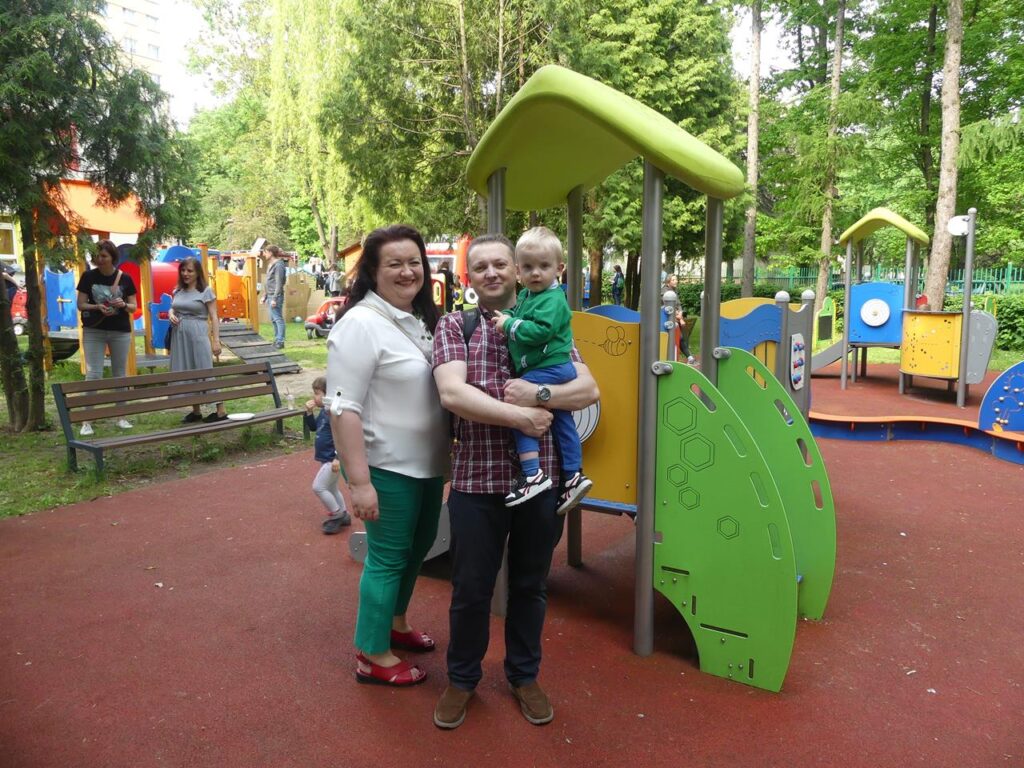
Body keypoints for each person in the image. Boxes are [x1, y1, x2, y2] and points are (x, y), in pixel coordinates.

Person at [431, 233, 600, 730]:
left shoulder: (547, 319)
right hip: (477, 480)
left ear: (518, 269)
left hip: (540, 482)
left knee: (531, 585)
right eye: (480, 266)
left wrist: (540, 394)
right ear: (470, 276)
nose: (492, 273)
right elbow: (453, 394)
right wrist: (521, 416)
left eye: (500, 264)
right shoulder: (455, 326)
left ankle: (524, 676)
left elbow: (587, 389)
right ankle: (462, 679)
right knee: (470, 588)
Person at [326, 224, 448, 687]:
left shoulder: (417, 320)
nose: (407, 271)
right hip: (386, 465)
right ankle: (372, 653)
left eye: (414, 262)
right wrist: (359, 483)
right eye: (394, 263)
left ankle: (394, 624)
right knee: (389, 556)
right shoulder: (360, 324)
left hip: (425, 464)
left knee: (418, 548)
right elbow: (342, 407)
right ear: (373, 272)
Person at [491, 227, 592, 513]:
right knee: (562, 421)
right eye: (528, 267)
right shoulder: (528, 295)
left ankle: (532, 473)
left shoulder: (553, 298)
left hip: (550, 367)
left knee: (518, 402)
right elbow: (518, 312)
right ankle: (573, 475)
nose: (536, 273)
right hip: (552, 368)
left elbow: (541, 331)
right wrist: (508, 315)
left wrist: (510, 325)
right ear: (518, 271)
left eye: (544, 266)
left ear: (559, 269)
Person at [75, 240, 138, 436]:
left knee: (119, 373)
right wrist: (97, 306)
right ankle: (87, 420)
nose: (100, 260)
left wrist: (123, 305)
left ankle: (121, 417)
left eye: (104, 256)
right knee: (93, 374)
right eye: (97, 256)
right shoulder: (88, 276)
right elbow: (80, 304)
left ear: (112, 258)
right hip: (94, 330)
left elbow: (133, 306)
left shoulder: (125, 278)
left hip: (120, 330)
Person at [168, 257, 227, 423]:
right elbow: (174, 307)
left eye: (190, 271)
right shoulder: (178, 290)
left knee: (204, 369)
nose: (185, 274)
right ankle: (196, 410)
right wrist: (171, 314)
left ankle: (220, 410)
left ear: (197, 273)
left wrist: (216, 340)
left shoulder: (205, 291)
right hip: (179, 336)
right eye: (183, 270)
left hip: (198, 333)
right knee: (187, 370)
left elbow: (214, 316)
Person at [304, 375, 351, 535]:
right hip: (327, 458)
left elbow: (343, 437)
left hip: (332, 459)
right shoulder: (324, 412)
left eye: (317, 393)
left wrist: (337, 457)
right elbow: (313, 428)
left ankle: (336, 515)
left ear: (327, 395)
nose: (314, 397)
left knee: (318, 487)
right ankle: (344, 514)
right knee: (331, 487)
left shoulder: (333, 413)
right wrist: (308, 413)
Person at [262, 245, 287, 348]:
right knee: (273, 319)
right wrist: (264, 295)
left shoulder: (279, 265)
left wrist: (275, 298)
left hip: (275, 296)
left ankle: (280, 341)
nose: (264, 254)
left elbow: (279, 282)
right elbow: (268, 282)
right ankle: (277, 339)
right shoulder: (270, 265)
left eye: (265, 252)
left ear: (271, 253)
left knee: (278, 318)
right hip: (270, 295)